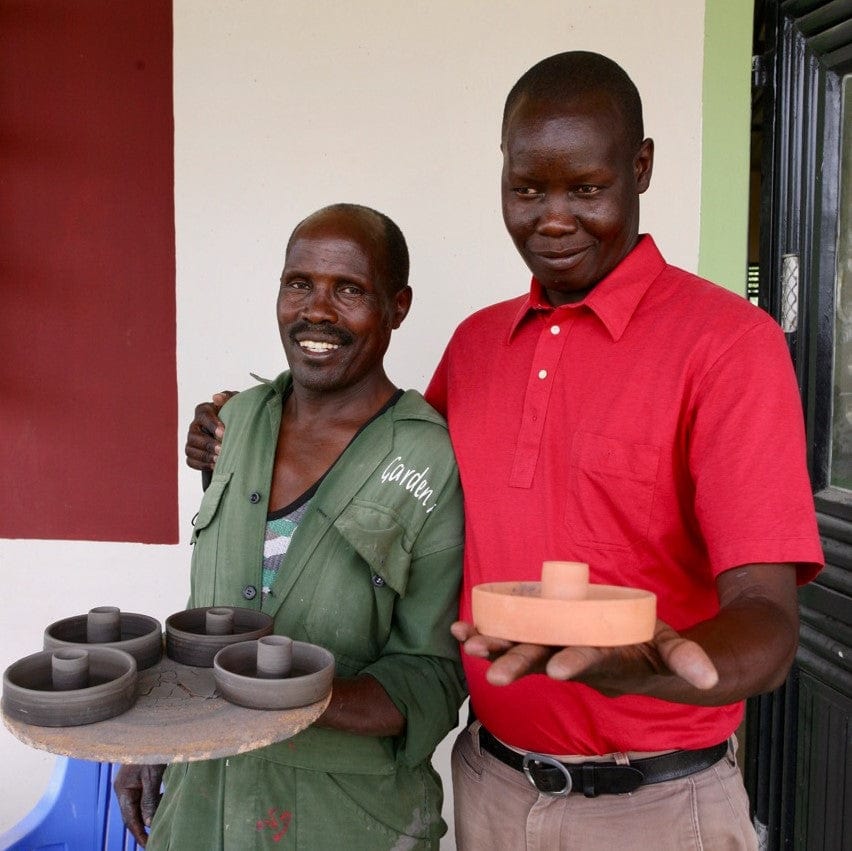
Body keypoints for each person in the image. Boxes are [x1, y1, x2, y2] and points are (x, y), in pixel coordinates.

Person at [187, 53, 823, 850]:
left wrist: (648, 664)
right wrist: (233, 437)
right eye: (527, 189)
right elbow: (375, 471)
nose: (553, 218)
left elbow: (767, 617)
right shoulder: (479, 345)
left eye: (585, 188)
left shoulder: (729, 345)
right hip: (487, 787)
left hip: (654, 807)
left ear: (642, 167)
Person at [118, 203, 466, 850]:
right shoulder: (236, 419)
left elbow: (434, 678)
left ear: (398, 305)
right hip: (200, 813)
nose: (318, 311)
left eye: (350, 290)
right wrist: (157, 731)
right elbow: (212, 607)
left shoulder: (431, 459)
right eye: (299, 283)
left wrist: (283, 692)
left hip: (341, 821)